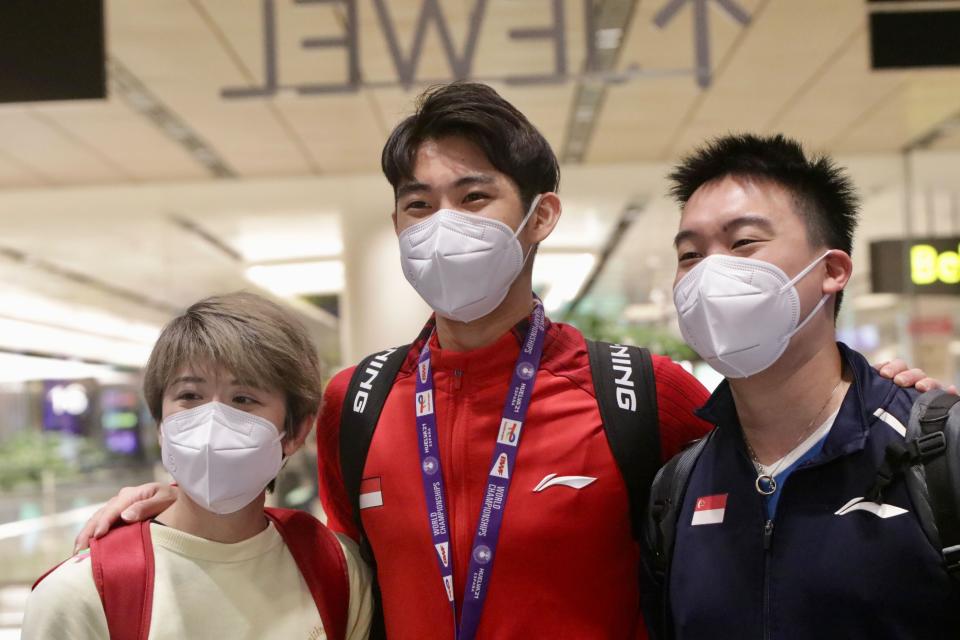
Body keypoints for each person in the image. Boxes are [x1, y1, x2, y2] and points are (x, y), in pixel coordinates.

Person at [74, 85, 937, 639]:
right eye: (418, 204)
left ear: (541, 216)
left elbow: (777, 443)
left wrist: (888, 390)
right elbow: (311, 551)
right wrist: (167, 502)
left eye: (474, 196)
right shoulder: (356, 403)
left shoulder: (639, 393)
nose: (442, 223)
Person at [643, 133, 960, 639]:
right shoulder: (679, 487)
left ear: (831, 271)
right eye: (689, 254)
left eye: (744, 242)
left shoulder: (936, 452)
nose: (709, 273)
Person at [24, 292, 372, 640]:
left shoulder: (335, 570)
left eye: (243, 399)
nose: (212, 422)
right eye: (190, 396)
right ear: (161, 423)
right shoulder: (82, 594)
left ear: (295, 431)